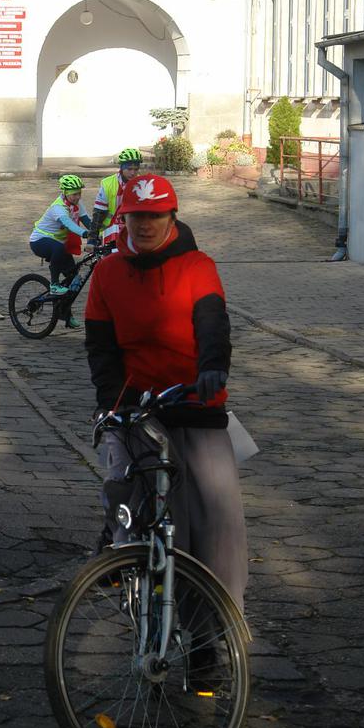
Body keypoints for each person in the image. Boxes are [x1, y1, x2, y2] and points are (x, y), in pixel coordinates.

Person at [83, 173, 247, 612]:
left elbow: (212, 325)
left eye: (155, 215)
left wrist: (213, 369)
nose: (145, 225)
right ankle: (119, 548)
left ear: (172, 217)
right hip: (138, 404)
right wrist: (112, 400)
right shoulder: (107, 274)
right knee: (125, 481)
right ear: (125, 219)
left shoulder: (198, 267)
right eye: (137, 216)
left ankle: (217, 632)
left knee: (219, 522)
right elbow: (100, 347)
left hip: (195, 401)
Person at [29, 173, 91, 292]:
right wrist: (85, 233)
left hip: (59, 244)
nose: (78, 197)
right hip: (39, 241)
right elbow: (69, 224)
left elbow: (87, 220)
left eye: (79, 193)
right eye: (74, 194)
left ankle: (63, 308)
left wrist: (97, 232)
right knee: (59, 248)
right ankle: (54, 285)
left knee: (72, 276)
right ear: (65, 193)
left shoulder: (76, 203)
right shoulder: (58, 208)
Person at [91, 147, 144, 240]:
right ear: (122, 168)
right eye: (129, 169)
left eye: (136, 169)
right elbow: (98, 213)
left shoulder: (142, 184)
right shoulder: (107, 184)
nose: (133, 173)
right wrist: (92, 238)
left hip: (134, 229)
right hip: (111, 228)